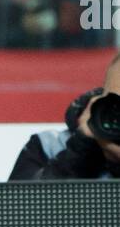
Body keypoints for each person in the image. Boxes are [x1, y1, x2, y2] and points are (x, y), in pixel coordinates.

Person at [8, 51, 120, 179]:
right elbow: (20, 198)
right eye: (117, 106)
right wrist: (80, 152)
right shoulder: (48, 147)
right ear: (99, 102)